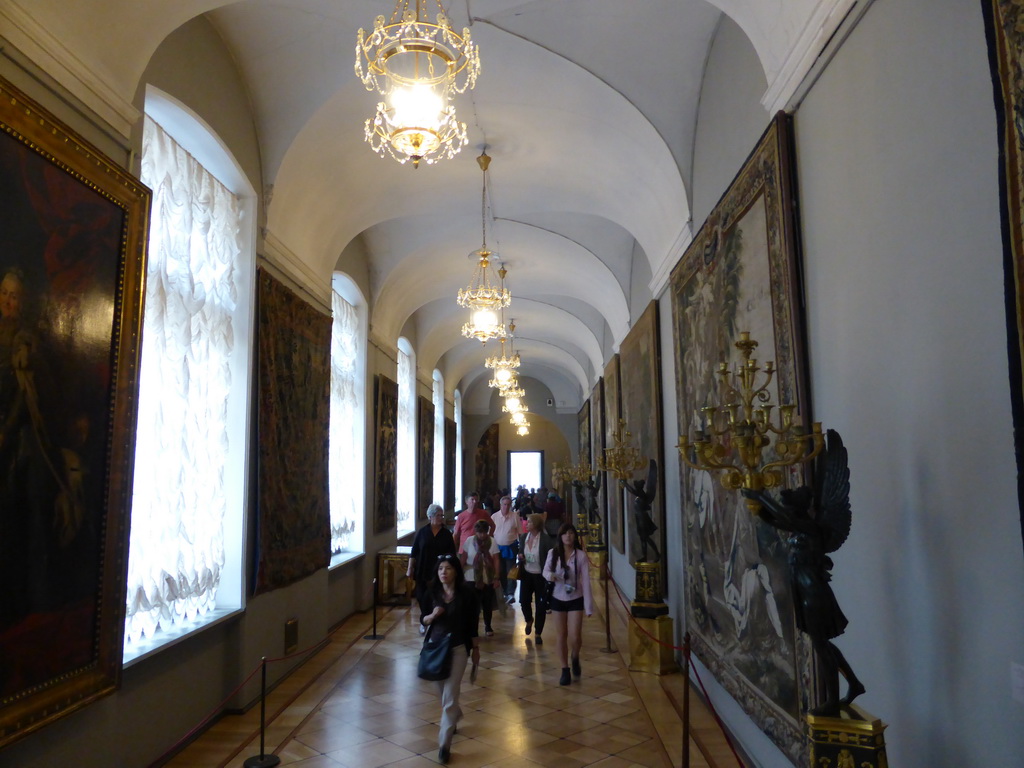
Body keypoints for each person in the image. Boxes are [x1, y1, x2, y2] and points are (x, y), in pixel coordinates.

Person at [420, 554, 480, 764]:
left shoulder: (467, 594)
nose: (443, 572)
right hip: (435, 650)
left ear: (455, 571)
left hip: (457, 649)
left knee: (450, 697)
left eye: (447, 568)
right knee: (441, 692)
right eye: (440, 569)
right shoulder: (431, 593)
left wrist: (476, 648)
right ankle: (455, 715)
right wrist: (432, 616)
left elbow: (473, 623)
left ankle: (444, 745)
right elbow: (423, 619)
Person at [542, 522, 593, 685]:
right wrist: (551, 576)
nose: (568, 536)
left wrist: (589, 606)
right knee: (561, 635)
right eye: (565, 533)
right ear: (560, 536)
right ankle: (565, 669)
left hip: (575, 598)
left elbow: (585, 581)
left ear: (575, 536)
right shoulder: (553, 553)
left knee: (575, 635)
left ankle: (575, 656)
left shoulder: (581, 556)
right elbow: (545, 571)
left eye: (571, 533)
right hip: (558, 597)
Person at [407, 504, 456, 632]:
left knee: (437, 596)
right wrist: (410, 568)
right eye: (438, 515)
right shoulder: (422, 532)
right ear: (430, 516)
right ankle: (424, 619)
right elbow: (414, 551)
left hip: (440, 571)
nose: (441, 518)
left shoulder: (446, 534)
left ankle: (437, 619)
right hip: (423, 569)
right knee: (422, 596)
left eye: (442, 515)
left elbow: (452, 553)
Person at [517, 513, 554, 645]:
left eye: (530, 522)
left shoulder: (545, 540)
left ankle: (538, 632)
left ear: (537, 524)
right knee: (524, 600)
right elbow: (520, 551)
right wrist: (520, 556)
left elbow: (551, 557)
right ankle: (528, 620)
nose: (527, 524)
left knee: (541, 605)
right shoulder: (523, 538)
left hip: (540, 575)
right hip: (527, 574)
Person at [459, 519, 500, 636]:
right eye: (479, 532)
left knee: (487, 603)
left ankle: (488, 626)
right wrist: (459, 573)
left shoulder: (492, 542)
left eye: (484, 532)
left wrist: (497, 577)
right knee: (472, 605)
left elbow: (496, 560)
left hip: (487, 576)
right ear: (476, 532)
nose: (482, 535)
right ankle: (473, 629)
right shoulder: (469, 541)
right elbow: (463, 557)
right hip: (471, 576)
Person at [491, 494, 520, 604]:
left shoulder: (514, 516)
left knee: (511, 571)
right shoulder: (494, 517)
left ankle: (510, 593)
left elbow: (520, 532)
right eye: (504, 504)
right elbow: (491, 533)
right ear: (500, 505)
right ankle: (504, 592)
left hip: (511, 548)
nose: (506, 507)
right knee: (501, 571)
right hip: (497, 548)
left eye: (508, 505)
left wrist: (520, 549)